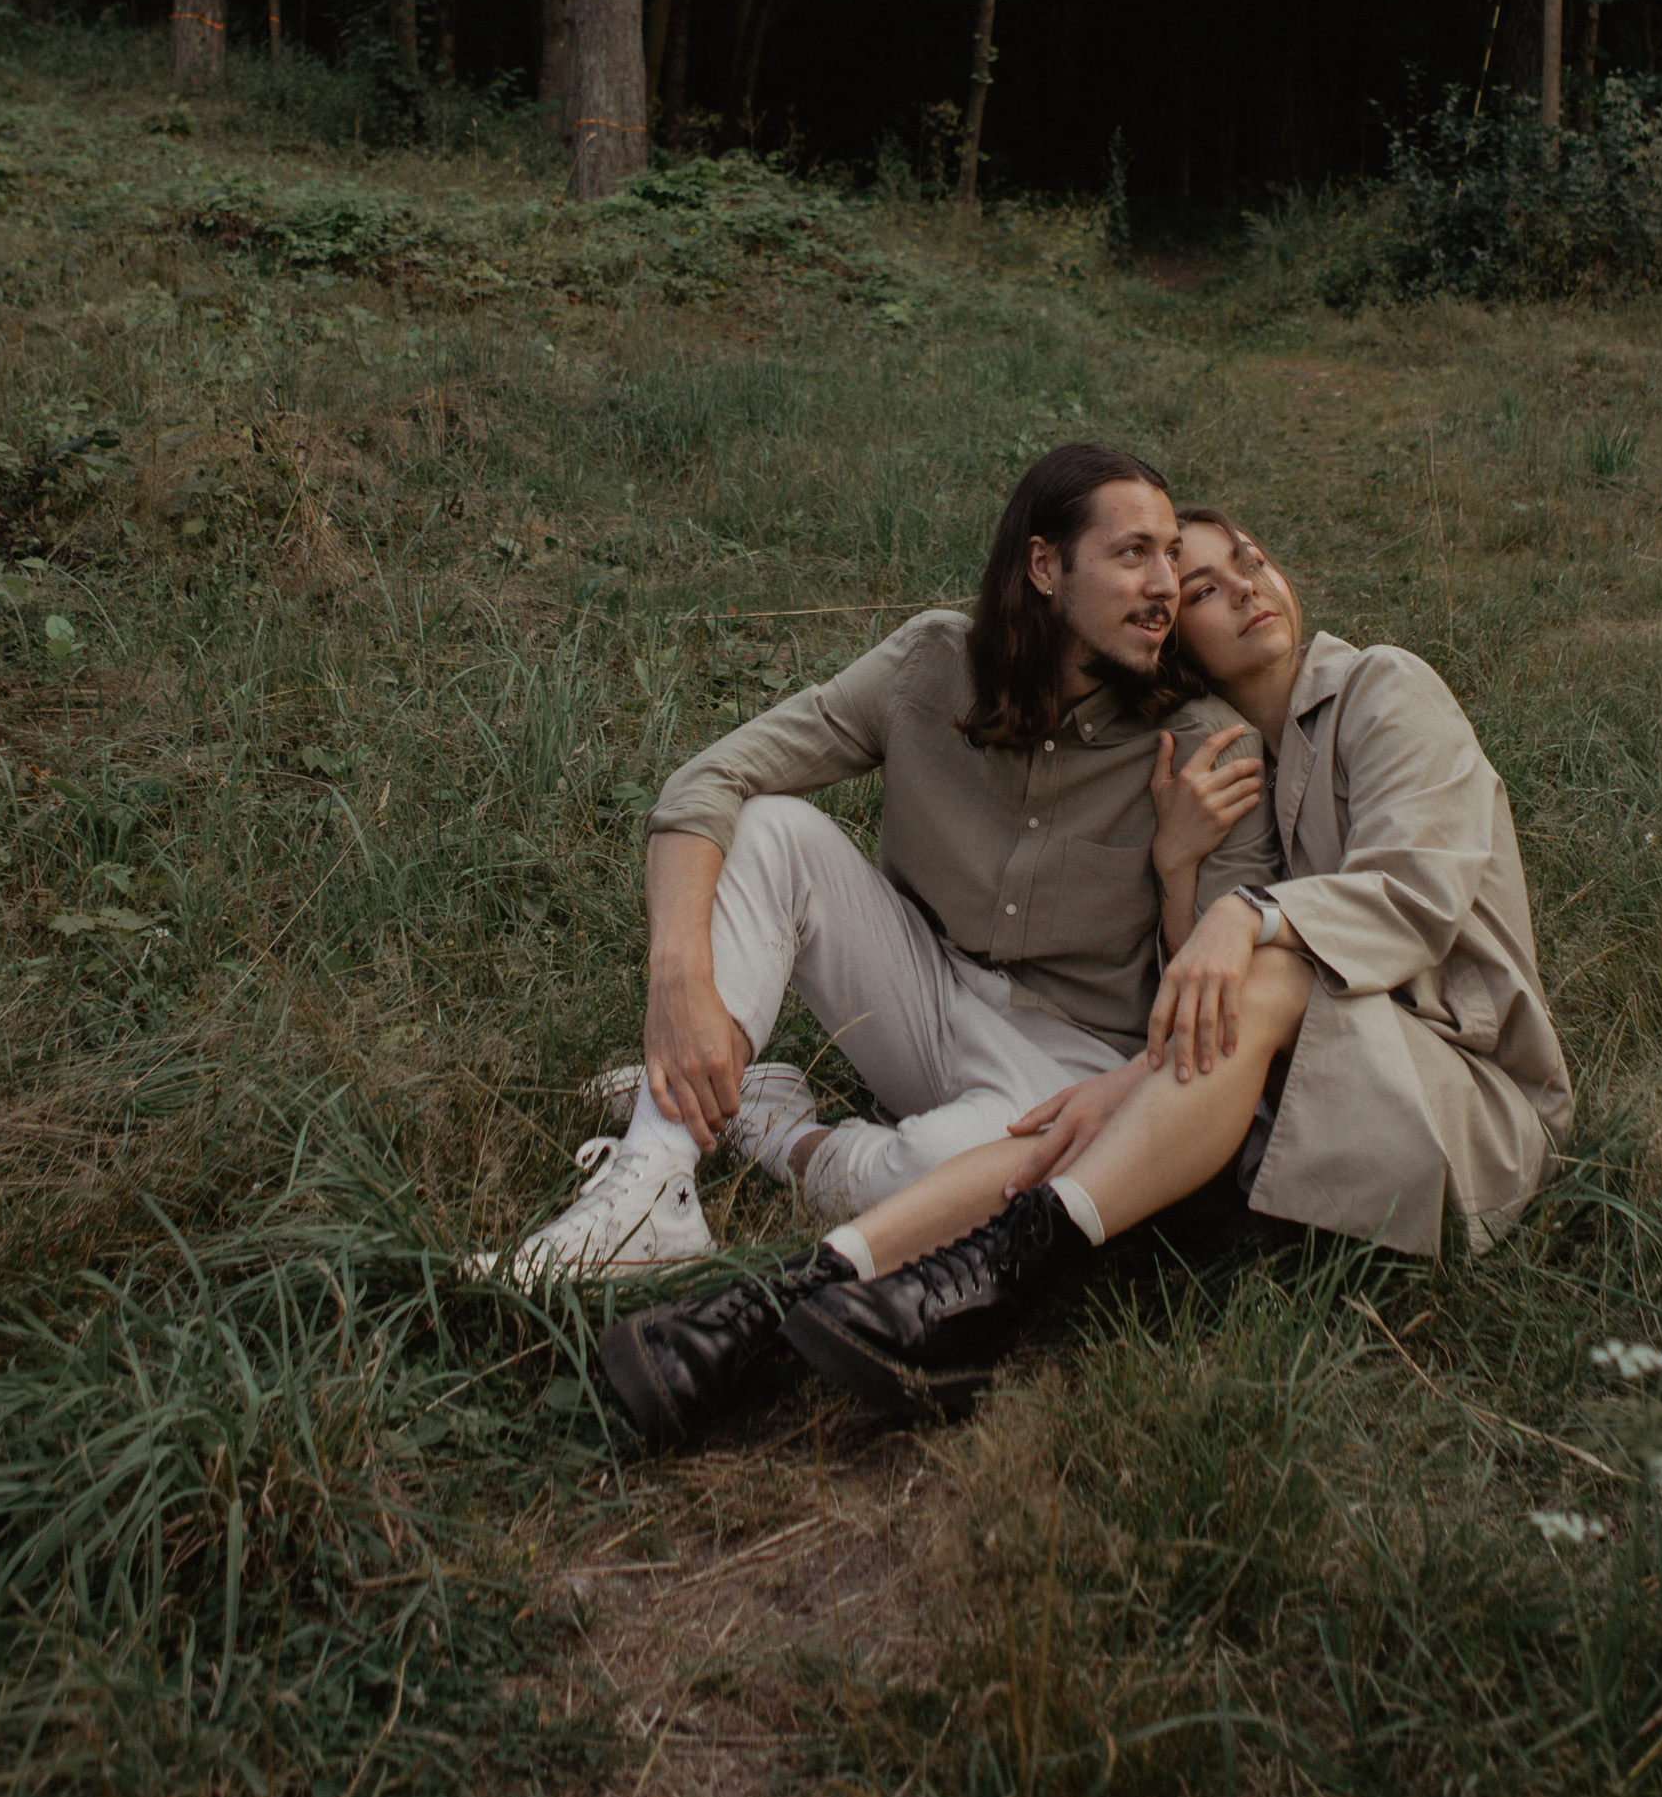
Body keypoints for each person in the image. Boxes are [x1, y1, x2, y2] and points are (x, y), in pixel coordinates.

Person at [599, 506, 1570, 1437]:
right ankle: (768, 1309)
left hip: (1459, 1103)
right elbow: (1191, 998)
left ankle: (994, 1280)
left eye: (1250, 560)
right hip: (1287, 1098)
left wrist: (1245, 914)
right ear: (1175, 642)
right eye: (1203, 586)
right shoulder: (1227, 759)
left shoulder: (1380, 689)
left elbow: (1416, 891)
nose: (1248, 586)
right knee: (1080, 1111)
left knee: (1257, 986)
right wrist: (1181, 867)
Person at [478, 442, 1278, 1290]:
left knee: (940, 1173)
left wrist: (1180, 863)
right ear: (1044, 566)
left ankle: (783, 1133)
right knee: (773, 828)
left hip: (1067, 1065)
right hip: (916, 992)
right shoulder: (933, 665)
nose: (1163, 587)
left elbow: (1215, 1007)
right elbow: (709, 780)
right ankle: (650, 1189)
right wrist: (676, 976)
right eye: (1133, 555)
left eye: (1170, 559)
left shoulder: (1204, 748)